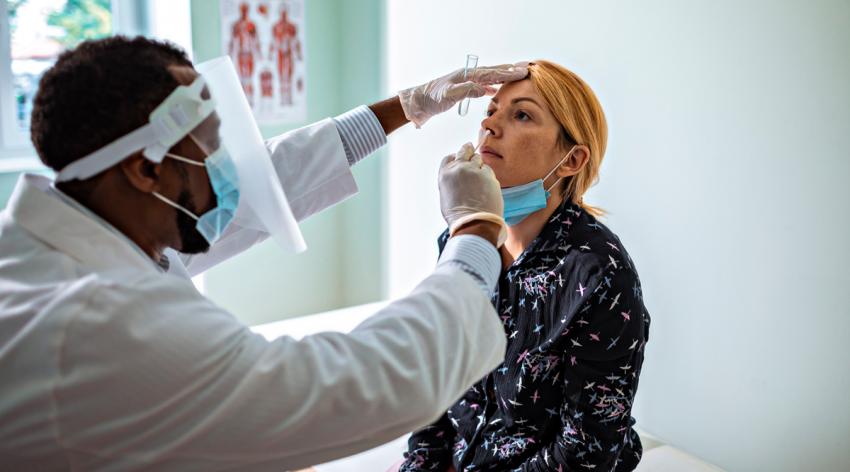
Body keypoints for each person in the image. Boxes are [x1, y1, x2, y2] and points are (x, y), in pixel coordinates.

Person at [0, 36, 528, 470]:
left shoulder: (66, 236)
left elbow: (262, 187)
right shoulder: (102, 326)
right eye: (210, 149)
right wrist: (477, 232)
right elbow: (363, 386)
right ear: (145, 169)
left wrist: (406, 107)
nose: (229, 170)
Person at [398, 60, 651, 471]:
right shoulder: (463, 240)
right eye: (491, 111)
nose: (491, 126)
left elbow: (585, 452)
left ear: (571, 160)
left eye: (522, 114)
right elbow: (436, 381)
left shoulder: (599, 274)